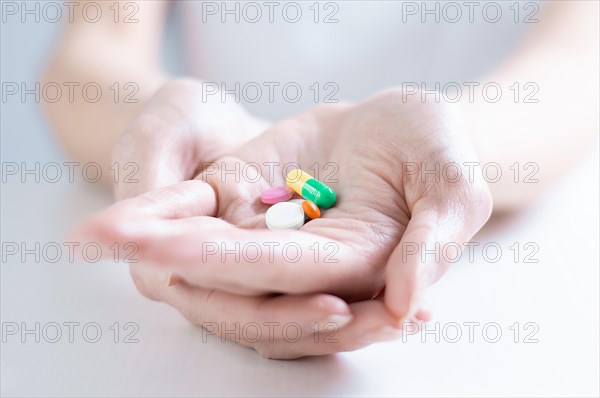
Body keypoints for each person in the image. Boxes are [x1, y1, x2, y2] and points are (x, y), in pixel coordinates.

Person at [42, 1, 598, 359]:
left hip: (523, 274)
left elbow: (581, 57)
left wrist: (448, 153)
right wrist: (162, 122)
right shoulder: (282, 192)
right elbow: (90, 53)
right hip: (234, 170)